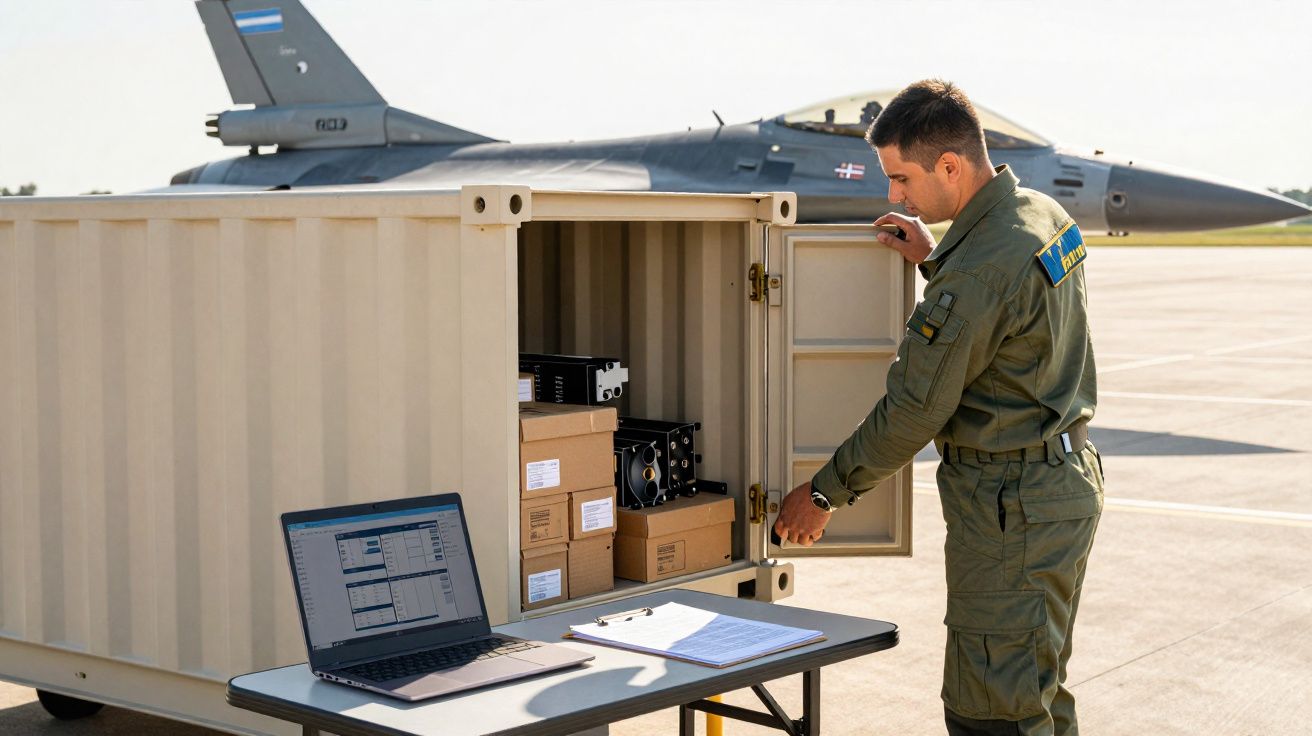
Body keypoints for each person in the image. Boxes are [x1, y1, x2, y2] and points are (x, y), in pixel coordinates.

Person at [773, 79, 1103, 736]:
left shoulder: (979, 270)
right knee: (1038, 692)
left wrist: (824, 493)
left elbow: (913, 412)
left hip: (1011, 513)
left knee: (993, 714)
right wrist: (938, 260)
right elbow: (1011, 319)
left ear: (949, 167)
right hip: (1060, 487)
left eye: (901, 178)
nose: (894, 196)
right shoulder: (1040, 215)